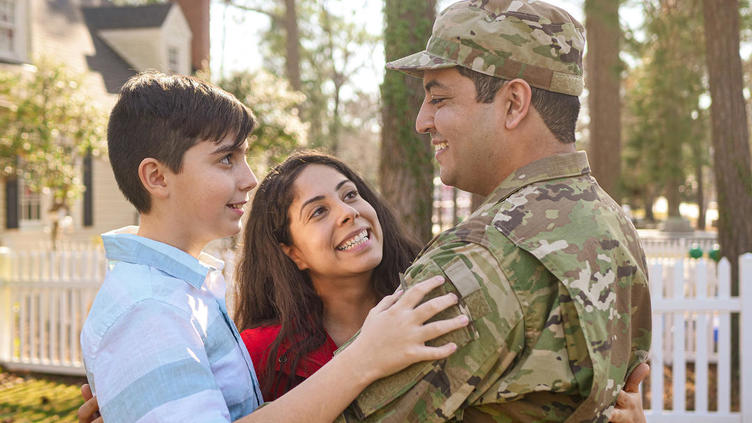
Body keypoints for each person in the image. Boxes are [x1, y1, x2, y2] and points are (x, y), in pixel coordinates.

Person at [79, 71, 469, 423]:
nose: (249, 179)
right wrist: (363, 358)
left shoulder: (181, 294)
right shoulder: (147, 308)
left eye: (243, 157)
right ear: (157, 177)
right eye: (227, 159)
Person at [329, 0, 652, 421]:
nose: (421, 121)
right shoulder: (612, 224)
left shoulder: (480, 259)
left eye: (439, 98)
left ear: (514, 103)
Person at [234, 152, 423, 399]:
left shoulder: (433, 300)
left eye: (350, 195)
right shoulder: (258, 356)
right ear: (293, 253)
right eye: (319, 211)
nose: (348, 212)